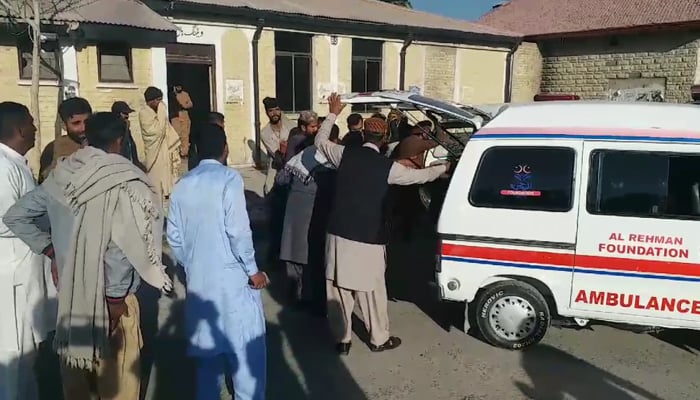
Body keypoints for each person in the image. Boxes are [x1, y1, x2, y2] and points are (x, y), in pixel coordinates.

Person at [4, 112, 173, 400]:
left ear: (88, 137)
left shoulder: (63, 173)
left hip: (72, 295)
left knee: (77, 383)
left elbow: (16, 216)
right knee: (118, 383)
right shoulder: (127, 179)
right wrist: (116, 300)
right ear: (119, 140)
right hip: (112, 299)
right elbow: (121, 246)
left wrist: (51, 249)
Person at [315, 94, 450, 355]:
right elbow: (418, 176)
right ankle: (378, 338)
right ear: (385, 139)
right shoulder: (388, 168)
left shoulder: (343, 155)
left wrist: (333, 113)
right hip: (369, 237)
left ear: (364, 136)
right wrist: (443, 167)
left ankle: (342, 341)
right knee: (372, 289)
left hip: (338, 233)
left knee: (338, 288)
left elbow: (320, 141)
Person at [166, 123, 267, 400]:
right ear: (226, 148)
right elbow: (238, 230)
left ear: (196, 151)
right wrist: (253, 270)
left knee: (208, 365)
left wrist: (193, 264)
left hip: (200, 280)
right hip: (233, 278)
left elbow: (174, 236)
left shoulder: (181, 185)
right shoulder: (229, 179)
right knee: (246, 354)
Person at [0, 102, 55, 400]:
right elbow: (7, 220)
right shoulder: (2, 167)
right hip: (12, 276)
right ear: (21, 128)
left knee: (28, 355)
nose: (36, 128)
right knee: (13, 354)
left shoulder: (16, 163)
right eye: (32, 123)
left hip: (25, 271)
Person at [280, 124, 340, 314]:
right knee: (315, 258)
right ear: (335, 141)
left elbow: (281, 180)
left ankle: (296, 296)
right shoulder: (333, 162)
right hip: (317, 215)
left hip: (294, 213)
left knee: (294, 254)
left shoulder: (302, 155)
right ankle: (316, 301)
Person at [261, 97, 294, 266]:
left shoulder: (291, 125)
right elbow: (278, 156)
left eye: (276, 109)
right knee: (275, 215)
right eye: (270, 111)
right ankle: (274, 255)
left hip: (295, 171)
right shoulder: (265, 132)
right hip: (277, 171)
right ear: (267, 113)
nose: (274, 113)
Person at [139, 86, 181, 207]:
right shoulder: (144, 113)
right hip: (154, 155)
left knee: (168, 184)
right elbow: (157, 132)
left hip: (165, 152)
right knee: (156, 187)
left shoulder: (158, 112)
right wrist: (162, 112)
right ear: (150, 101)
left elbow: (166, 129)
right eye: (157, 100)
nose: (160, 103)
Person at [39, 97, 92, 182]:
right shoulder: (54, 149)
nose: (83, 128)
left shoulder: (103, 143)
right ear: (64, 125)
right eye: (76, 123)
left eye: (87, 121)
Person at [111, 100, 144, 169]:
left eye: (128, 114)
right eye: (124, 113)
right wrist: (126, 127)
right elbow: (121, 148)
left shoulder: (126, 129)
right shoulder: (113, 129)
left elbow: (131, 146)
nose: (127, 116)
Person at [170, 85, 193, 158]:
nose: (179, 88)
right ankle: (176, 152)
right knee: (176, 134)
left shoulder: (185, 94)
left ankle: (184, 152)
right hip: (175, 115)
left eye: (180, 86)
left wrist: (184, 105)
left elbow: (190, 104)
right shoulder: (171, 95)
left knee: (185, 134)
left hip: (184, 113)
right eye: (177, 86)